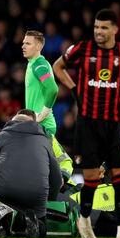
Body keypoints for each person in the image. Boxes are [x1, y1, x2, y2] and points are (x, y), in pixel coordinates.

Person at [53, 8, 120, 238]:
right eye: (96, 27)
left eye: (103, 28)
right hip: (87, 124)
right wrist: (74, 90)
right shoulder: (82, 48)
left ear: (115, 29)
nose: (99, 32)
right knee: (92, 179)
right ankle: (84, 221)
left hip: (113, 123)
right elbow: (57, 67)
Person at [0, 110, 62, 237]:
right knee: (41, 228)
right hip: (37, 195)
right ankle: (38, 223)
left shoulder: (2, 136)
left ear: (12, 122)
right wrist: (47, 202)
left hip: (5, 187)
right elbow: (56, 178)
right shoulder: (45, 140)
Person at [21, 30, 73, 181]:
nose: (23, 46)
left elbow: (52, 89)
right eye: (23, 42)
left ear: (38, 46)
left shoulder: (39, 64)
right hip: (36, 125)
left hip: (42, 126)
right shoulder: (32, 64)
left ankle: (68, 194)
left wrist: (42, 114)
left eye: (28, 43)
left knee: (60, 164)